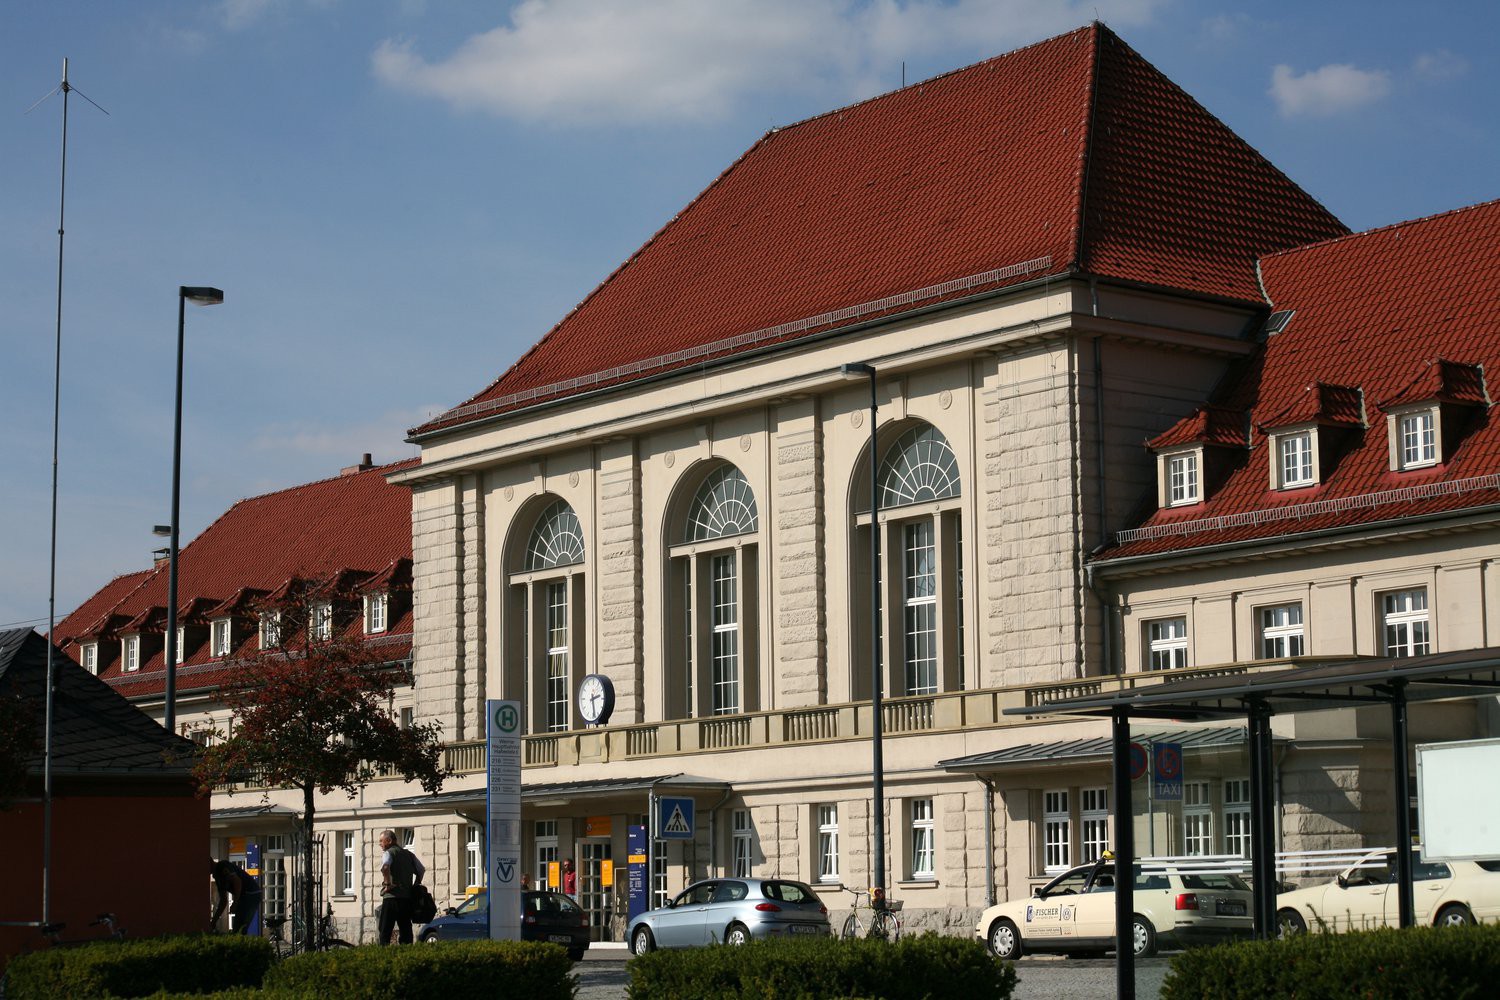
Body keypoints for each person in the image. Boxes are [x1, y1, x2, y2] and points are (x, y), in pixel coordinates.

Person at [378, 829, 426, 944]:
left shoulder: (388, 853)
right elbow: (421, 870)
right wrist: (415, 885)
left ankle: (382, 957)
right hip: (406, 899)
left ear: (389, 841)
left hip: (391, 897)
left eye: (381, 841)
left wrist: (388, 883)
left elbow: (385, 868)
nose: (380, 844)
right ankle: (406, 955)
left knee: (385, 931)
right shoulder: (409, 854)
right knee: (406, 930)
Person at [210, 857, 262, 934]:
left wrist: (235, 903)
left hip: (251, 893)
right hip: (246, 895)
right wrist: (214, 921)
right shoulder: (218, 878)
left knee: (239, 928)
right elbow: (223, 901)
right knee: (238, 927)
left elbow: (237, 881)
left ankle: (240, 939)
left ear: (210, 863)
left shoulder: (222, 866)